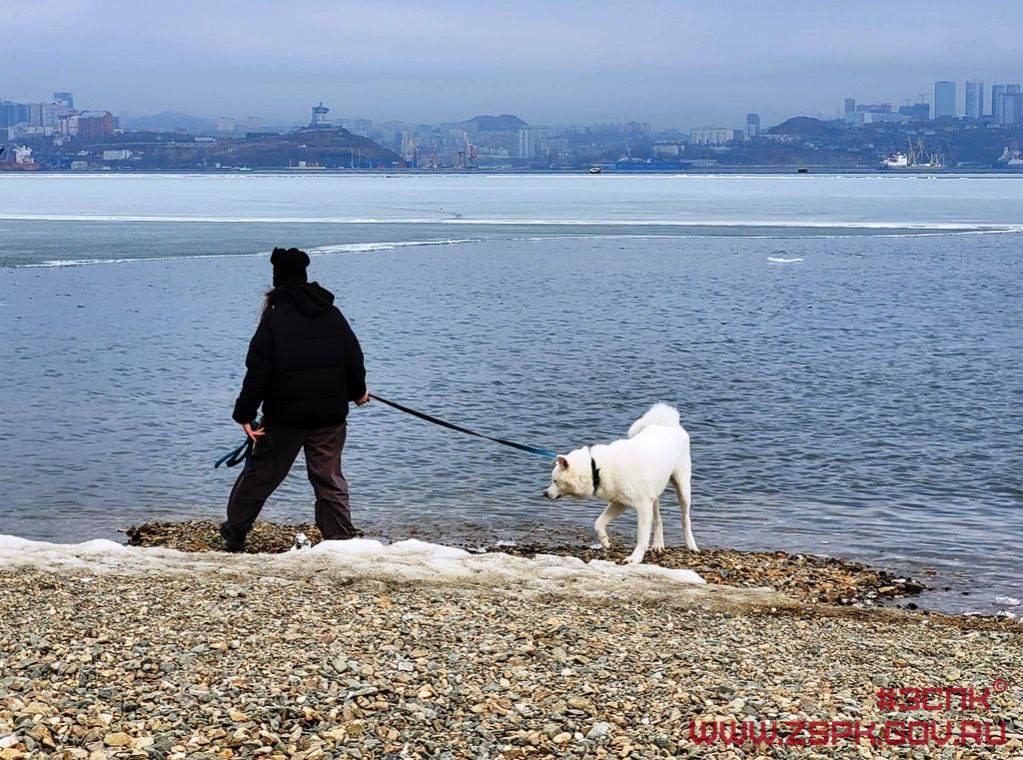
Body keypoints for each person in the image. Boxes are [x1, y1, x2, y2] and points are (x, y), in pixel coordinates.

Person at [220, 247, 370, 552]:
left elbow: (257, 374)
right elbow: (353, 358)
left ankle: (234, 532)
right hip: (329, 415)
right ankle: (340, 541)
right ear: (304, 276)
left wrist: (245, 416)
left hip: (285, 419)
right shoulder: (332, 314)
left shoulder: (274, 320)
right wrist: (358, 392)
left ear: (277, 281)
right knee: (329, 480)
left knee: (261, 476)